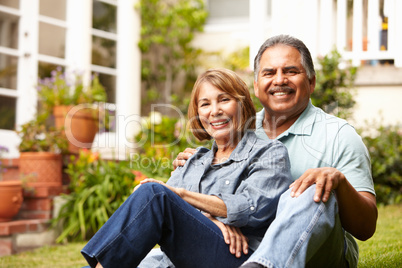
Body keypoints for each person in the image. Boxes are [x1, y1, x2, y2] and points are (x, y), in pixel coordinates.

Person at [174, 35, 378, 267]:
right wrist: (197, 170)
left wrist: (339, 183)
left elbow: (366, 227)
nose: (279, 80)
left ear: (311, 82)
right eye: (269, 73)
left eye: (291, 71)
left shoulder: (339, 135)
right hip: (240, 248)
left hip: (315, 254)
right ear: (256, 85)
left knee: (311, 185)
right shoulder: (236, 129)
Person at [81, 68, 292, 268]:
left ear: (242, 104)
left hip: (238, 256)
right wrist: (209, 220)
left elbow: (250, 207)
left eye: (224, 100)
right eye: (205, 104)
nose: (215, 111)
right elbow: (153, 208)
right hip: (180, 260)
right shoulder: (194, 160)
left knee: (156, 194)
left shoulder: (270, 153)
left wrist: (184, 197)